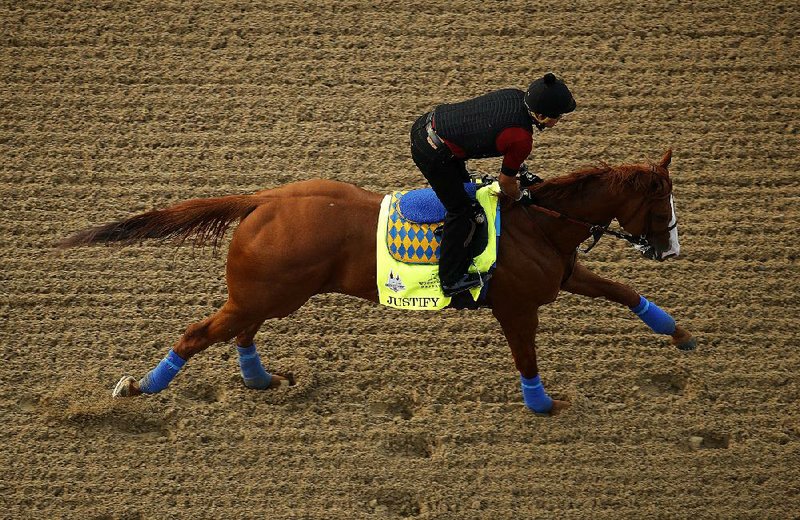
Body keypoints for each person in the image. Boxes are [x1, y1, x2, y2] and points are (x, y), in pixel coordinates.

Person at [409, 72, 576, 296]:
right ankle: (450, 280)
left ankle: (451, 234)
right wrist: (520, 196)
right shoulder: (522, 138)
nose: (559, 120)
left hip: (427, 125)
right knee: (462, 212)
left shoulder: (515, 96)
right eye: (559, 116)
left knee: (467, 197)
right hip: (433, 153)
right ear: (541, 115)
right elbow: (506, 183)